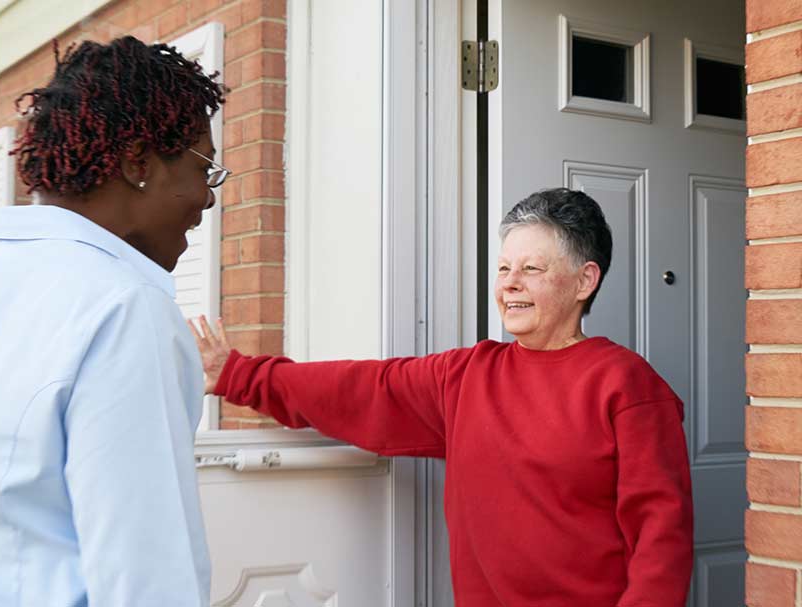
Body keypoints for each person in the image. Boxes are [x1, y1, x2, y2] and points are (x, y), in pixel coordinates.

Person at [190, 188, 694, 607]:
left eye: (531, 270)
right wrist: (237, 374)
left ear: (585, 279)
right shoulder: (467, 376)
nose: (510, 284)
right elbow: (360, 389)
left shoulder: (627, 387)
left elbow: (661, 543)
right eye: (503, 269)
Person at [0, 36, 227, 606]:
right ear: (138, 162)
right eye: (204, 168)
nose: (208, 198)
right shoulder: (125, 308)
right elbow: (145, 578)